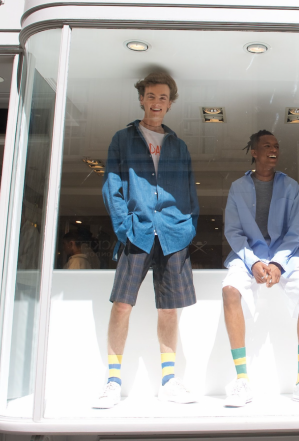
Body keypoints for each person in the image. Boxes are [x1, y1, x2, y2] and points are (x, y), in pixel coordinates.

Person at [95, 71, 199, 408]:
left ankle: (169, 380)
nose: (157, 103)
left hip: (173, 233)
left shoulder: (179, 146)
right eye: (151, 96)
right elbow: (112, 185)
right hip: (137, 232)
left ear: (170, 103)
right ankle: (112, 381)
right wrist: (124, 227)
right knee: (122, 305)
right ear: (142, 98)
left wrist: (188, 226)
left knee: (169, 310)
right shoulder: (123, 139)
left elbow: (190, 191)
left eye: (163, 98)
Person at [221, 130, 299, 407]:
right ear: (254, 152)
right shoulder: (237, 188)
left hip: (287, 254)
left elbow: (294, 233)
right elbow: (233, 232)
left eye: (277, 146)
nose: (273, 150)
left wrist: (278, 263)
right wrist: (254, 261)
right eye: (267, 146)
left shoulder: (291, 187)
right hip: (249, 255)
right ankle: (241, 380)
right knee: (230, 291)